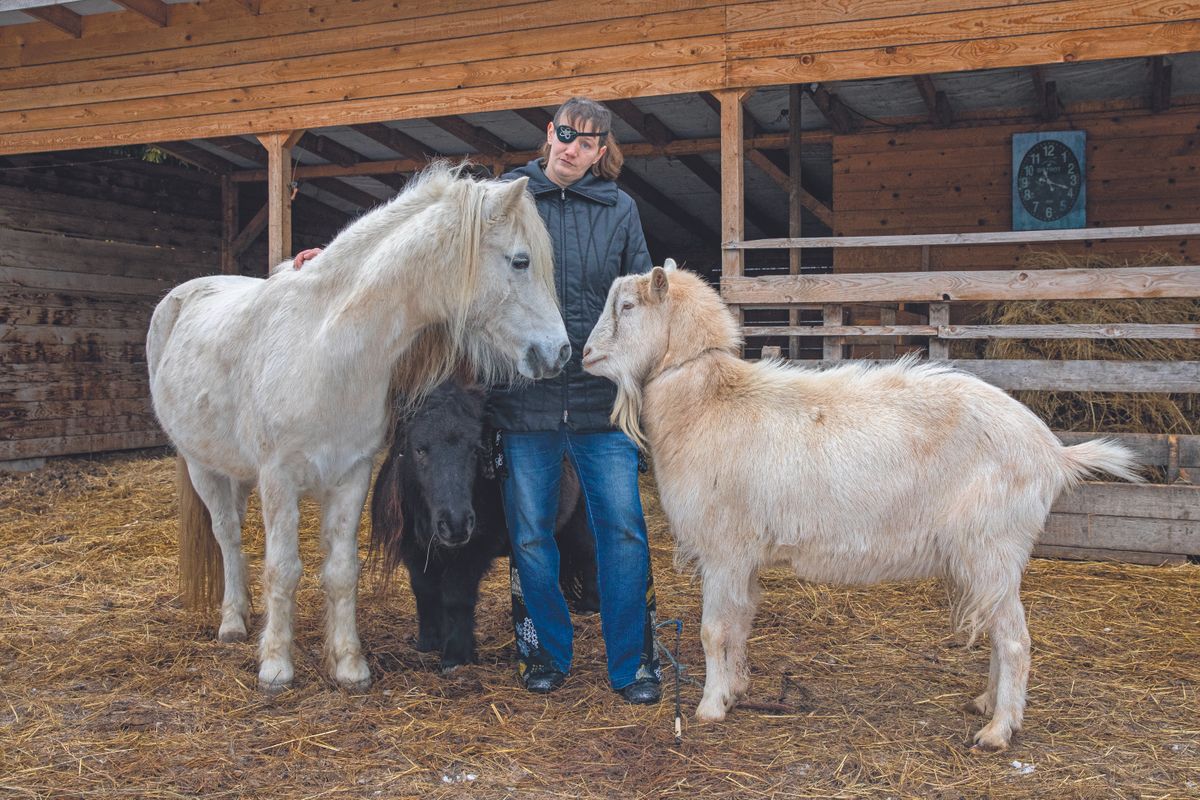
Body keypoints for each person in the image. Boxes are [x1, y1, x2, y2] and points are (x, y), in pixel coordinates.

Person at [293, 97, 661, 705]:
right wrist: (334, 262)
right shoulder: (500, 201)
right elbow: (414, 233)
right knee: (531, 536)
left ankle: (633, 664)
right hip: (523, 405)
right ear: (549, 134)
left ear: (601, 152)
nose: (571, 147)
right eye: (565, 133)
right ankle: (543, 654)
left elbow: (643, 298)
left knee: (624, 532)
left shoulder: (620, 212)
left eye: (587, 141)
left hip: (599, 404)